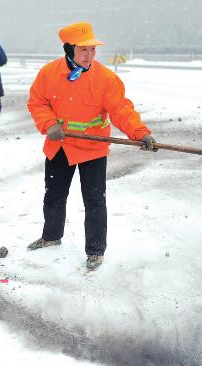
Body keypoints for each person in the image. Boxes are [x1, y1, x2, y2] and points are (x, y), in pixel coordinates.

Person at [26, 21, 157, 270]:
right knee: (54, 195)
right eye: (83, 50)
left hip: (93, 149)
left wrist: (141, 134)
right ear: (69, 49)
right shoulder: (48, 73)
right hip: (60, 146)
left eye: (92, 49)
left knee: (95, 201)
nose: (89, 55)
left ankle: (96, 250)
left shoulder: (106, 79)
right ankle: (51, 236)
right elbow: (37, 103)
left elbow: (122, 111)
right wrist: (49, 124)